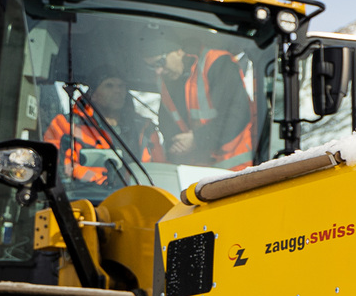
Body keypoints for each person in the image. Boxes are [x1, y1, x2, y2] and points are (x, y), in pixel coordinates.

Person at [45, 74, 162, 191]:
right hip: (84, 199)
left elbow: (162, 171)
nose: (117, 91)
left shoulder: (144, 129)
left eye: (121, 86)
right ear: (93, 95)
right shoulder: (66, 124)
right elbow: (59, 169)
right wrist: (102, 182)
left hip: (138, 199)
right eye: (109, 86)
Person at [149, 40, 255, 169]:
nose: (158, 71)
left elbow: (238, 116)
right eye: (152, 66)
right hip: (196, 171)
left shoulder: (218, 63)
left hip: (234, 170)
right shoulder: (165, 83)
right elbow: (167, 123)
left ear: (178, 51)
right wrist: (179, 144)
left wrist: (196, 139)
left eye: (160, 62)